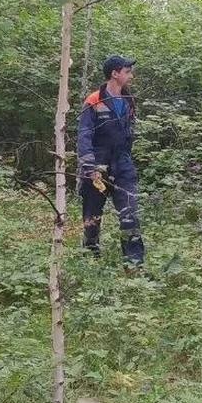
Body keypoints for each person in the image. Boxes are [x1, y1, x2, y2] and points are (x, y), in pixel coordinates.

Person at [77, 54, 145, 268]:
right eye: (127, 72)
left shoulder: (128, 101)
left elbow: (128, 135)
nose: (130, 76)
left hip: (122, 166)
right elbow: (83, 135)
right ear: (114, 74)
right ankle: (91, 262)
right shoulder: (94, 100)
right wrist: (90, 167)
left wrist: (125, 161)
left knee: (130, 216)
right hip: (97, 166)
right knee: (92, 220)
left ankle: (133, 265)